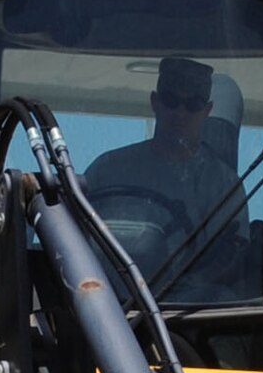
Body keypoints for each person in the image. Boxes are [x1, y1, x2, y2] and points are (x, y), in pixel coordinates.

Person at [83, 55, 247, 292]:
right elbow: (73, 235)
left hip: (186, 312)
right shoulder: (107, 168)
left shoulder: (223, 185)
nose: (180, 113)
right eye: (171, 101)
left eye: (193, 105)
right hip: (104, 298)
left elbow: (231, 259)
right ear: (155, 102)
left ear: (207, 110)